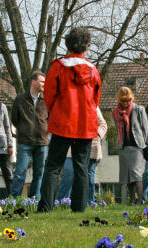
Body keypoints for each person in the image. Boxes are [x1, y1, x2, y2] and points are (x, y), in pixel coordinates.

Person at [37, 27, 101, 213]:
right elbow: (95, 100)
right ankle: (79, 208)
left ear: (67, 44)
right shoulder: (93, 70)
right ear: (86, 47)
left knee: (53, 166)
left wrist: (56, 112)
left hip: (62, 122)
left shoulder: (57, 67)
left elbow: (49, 95)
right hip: (85, 124)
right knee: (82, 167)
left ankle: (46, 207)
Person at [57, 107, 107, 203]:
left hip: (90, 147)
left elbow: (103, 125)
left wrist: (95, 135)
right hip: (71, 147)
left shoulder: (93, 106)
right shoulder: (69, 104)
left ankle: (89, 202)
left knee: (89, 177)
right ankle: (62, 202)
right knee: (68, 173)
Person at [11, 71, 48, 198]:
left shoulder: (47, 100)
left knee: (39, 173)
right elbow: (14, 119)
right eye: (42, 81)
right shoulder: (20, 99)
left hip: (42, 142)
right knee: (20, 172)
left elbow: (50, 119)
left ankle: (34, 200)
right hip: (24, 142)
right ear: (33, 82)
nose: (44, 84)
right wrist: (25, 129)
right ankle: (14, 200)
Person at [112, 87, 148, 205]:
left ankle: (140, 200)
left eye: (127, 100)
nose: (125, 103)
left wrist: (144, 143)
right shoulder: (115, 113)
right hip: (123, 146)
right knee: (127, 175)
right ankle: (132, 200)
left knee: (136, 173)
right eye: (123, 100)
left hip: (136, 146)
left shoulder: (139, 109)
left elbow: (145, 128)